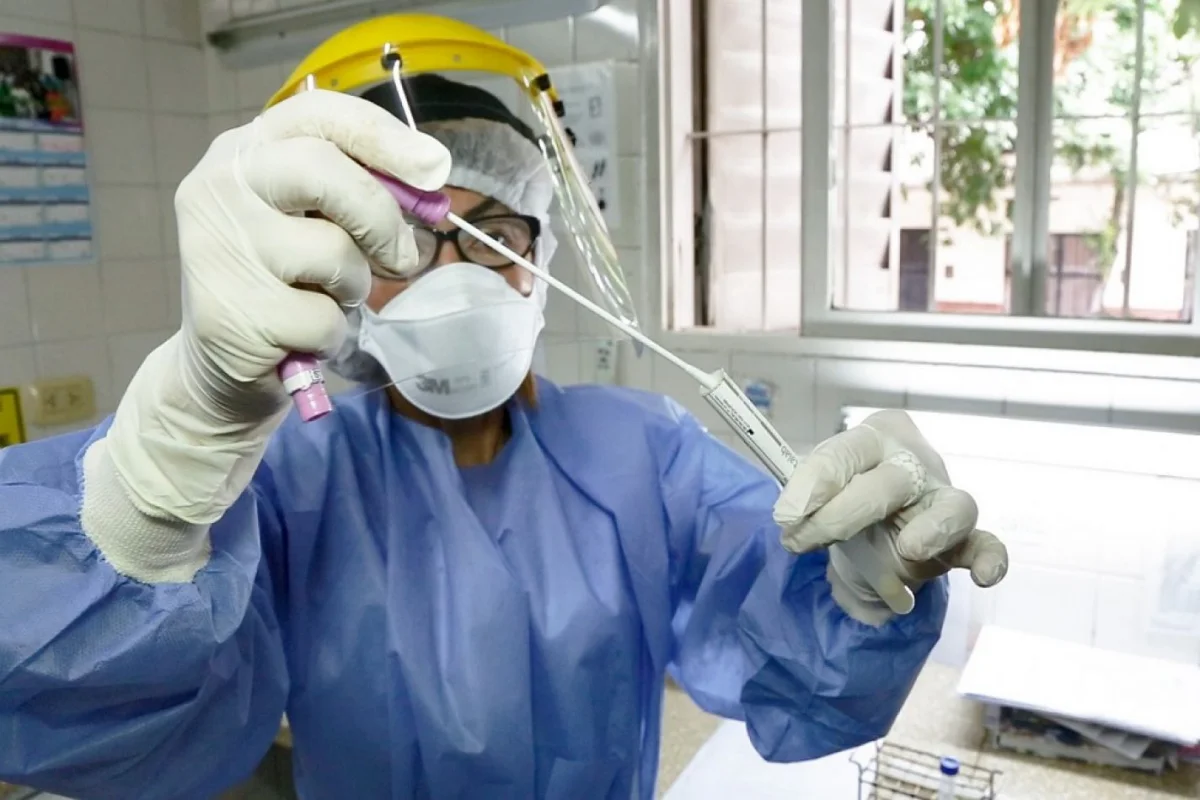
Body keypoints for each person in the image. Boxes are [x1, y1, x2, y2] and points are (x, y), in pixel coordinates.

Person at [0, 18, 1008, 800]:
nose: (453, 272)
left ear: (540, 256)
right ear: (336, 272)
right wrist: (149, 497)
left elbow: (791, 654)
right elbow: (101, 710)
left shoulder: (643, 454)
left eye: (492, 236)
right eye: (401, 244)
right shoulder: (290, 480)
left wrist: (856, 587)